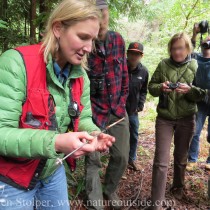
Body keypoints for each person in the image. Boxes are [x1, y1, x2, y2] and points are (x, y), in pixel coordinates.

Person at [0, 1, 115, 209]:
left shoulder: (80, 78)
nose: (89, 48)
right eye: (83, 37)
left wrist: (93, 134)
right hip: (11, 178)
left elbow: (83, 119)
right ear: (58, 28)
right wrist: (57, 142)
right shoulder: (16, 63)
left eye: (92, 40)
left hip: (51, 171)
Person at [146, 32, 206, 210]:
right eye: (173, 48)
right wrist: (161, 87)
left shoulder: (196, 65)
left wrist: (190, 90)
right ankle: (156, 201)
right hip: (165, 118)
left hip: (187, 119)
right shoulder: (164, 64)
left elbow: (204, 93)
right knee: (160, 161)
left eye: (180, 48)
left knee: (180, 158)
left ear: (187, 48)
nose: (176, 52)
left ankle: (178, 187)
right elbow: (151, 87)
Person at [85, 0, 130, 209]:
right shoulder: (86, 44)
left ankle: (109, 190)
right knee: (93, 159)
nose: (101, 19)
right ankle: (95, 202)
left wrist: (122, 101)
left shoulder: (118, 40)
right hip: (94, 112)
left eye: (103, 13)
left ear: (107, 15)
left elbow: (124, 74)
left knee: (121, 155)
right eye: (96, 14)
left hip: (117, 109)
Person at [187, 23, 210, 171]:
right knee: (195, 131)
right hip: (200, 100)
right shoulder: (195, 57)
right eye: (205, 44)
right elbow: (187, 50)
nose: (206, 46)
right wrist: (195, 34)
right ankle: (192, 159)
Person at [126, 42, 149, 171]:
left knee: (134, 135)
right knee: (119, 137)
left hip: (133, 110)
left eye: (137, 54)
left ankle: (132, 159)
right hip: (118, 111)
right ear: (127, 54)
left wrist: (140, 104)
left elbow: (144, 90)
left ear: (141, 56)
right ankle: (119, 161)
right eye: (132, 53)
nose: (134, 56)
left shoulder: (143, 71)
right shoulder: (121, 68)